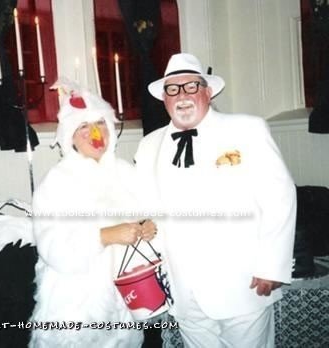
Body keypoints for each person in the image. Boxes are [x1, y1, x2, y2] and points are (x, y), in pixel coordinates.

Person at [134, 53, 297, 347]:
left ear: (207, 92)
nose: (182, 95)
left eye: (191, 86)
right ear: (164, 98)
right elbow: (146, 209)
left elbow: (280, 198)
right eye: (173, 89)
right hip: (183, 290)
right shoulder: (148, 146)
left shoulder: (247, 129)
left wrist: (272, 266)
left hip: (242, 283)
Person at [29, 86, 156, 348]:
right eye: (83, 126)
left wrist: (148, 227)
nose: (95, 133)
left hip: (126, 302)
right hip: (77, 308)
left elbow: (147, 215)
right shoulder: (57, 182)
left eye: (100, 123)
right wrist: (104, 236)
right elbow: (52, 247)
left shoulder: (125, 172)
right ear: (70, 138)